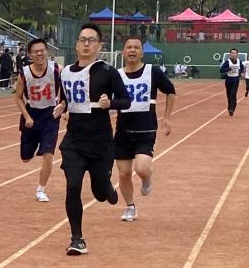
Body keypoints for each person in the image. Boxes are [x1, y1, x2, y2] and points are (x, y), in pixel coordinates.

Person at [54, 22, 131, 255]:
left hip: (100, 142)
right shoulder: (66, 72)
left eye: (91, 40)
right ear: (76, 45)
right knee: (73, 186)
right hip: (74, 141)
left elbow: (126, 101)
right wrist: (62, 106)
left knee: (99, 192)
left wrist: (111, 104)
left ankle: (107, 188)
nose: (86, 44)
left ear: (99, 46)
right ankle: (77, 238)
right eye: (82, 40)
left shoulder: (108, 71)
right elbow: (66, 98)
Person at [115, 36, 176, 223]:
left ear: (142, 52)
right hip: (123, 131)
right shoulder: (116, 75)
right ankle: (130, 207)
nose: (132, 50)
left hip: (146, 130)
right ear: (123, 52)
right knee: (124, 173)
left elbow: (171, 91)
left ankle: (146, 178)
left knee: (141, 169)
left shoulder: (152, 72)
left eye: (136, 47)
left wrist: (167, 117)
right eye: (129, 47)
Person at [14, 37, 64, 203]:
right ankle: (35, 144)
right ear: (30, 54)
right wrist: (27, 117)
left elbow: (67, 91)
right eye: (36, 51)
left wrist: (63, 105)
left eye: (42, 50)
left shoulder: (57, 70)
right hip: (32, 114)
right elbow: (18, 97)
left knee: (48, 154)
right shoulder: (24, 74)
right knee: (26, 157)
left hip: (50, 115)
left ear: (46, 52)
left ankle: (41, 189)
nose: (40, 54)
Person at [219, 48, 242, 117]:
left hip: (236, 80)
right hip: (228, 80)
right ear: (230, 54)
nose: (233, 54)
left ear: (237, 54)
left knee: (233, 95)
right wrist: (228, 69)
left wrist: (241, 73)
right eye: (232, 53)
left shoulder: (239, 61)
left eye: (235, 53)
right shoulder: (227, 62)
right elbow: (221, 70)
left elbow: (242, 67)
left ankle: (232, 109)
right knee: (229, 96)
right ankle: (230, 106)